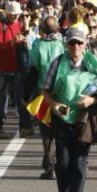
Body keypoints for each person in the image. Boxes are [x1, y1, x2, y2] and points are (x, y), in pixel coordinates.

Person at [42, 27, 97, 192]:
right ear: (66, 44)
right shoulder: (58, 63)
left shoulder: (93, 63)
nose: (75, 46)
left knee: (80, 162)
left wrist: (92, 100)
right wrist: (54, 105)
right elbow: (45, 90)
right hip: (62, 117)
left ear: (85, 45)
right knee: (63, 163)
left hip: (85, 118)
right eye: (72, 43)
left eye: (79, 43)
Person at [0, 1, 32, 139]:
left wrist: (26, 37)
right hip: (1, 68)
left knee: (21, 98)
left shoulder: (21, 25)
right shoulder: (0, 26)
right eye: (12, 14)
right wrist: (12, 42)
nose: (14, 17)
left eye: (16, 14)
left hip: (17, 67)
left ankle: (24, 127)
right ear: (6, 13)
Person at [29, 16, 65, 180]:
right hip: (63, 92)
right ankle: (60, 163)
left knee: (46, 130)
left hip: (44, 92)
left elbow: (33, 68)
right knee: (62, 129)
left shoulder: (38, 46)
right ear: (57, 29)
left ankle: (50, 164)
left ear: (42, 30)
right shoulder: (63, 44)